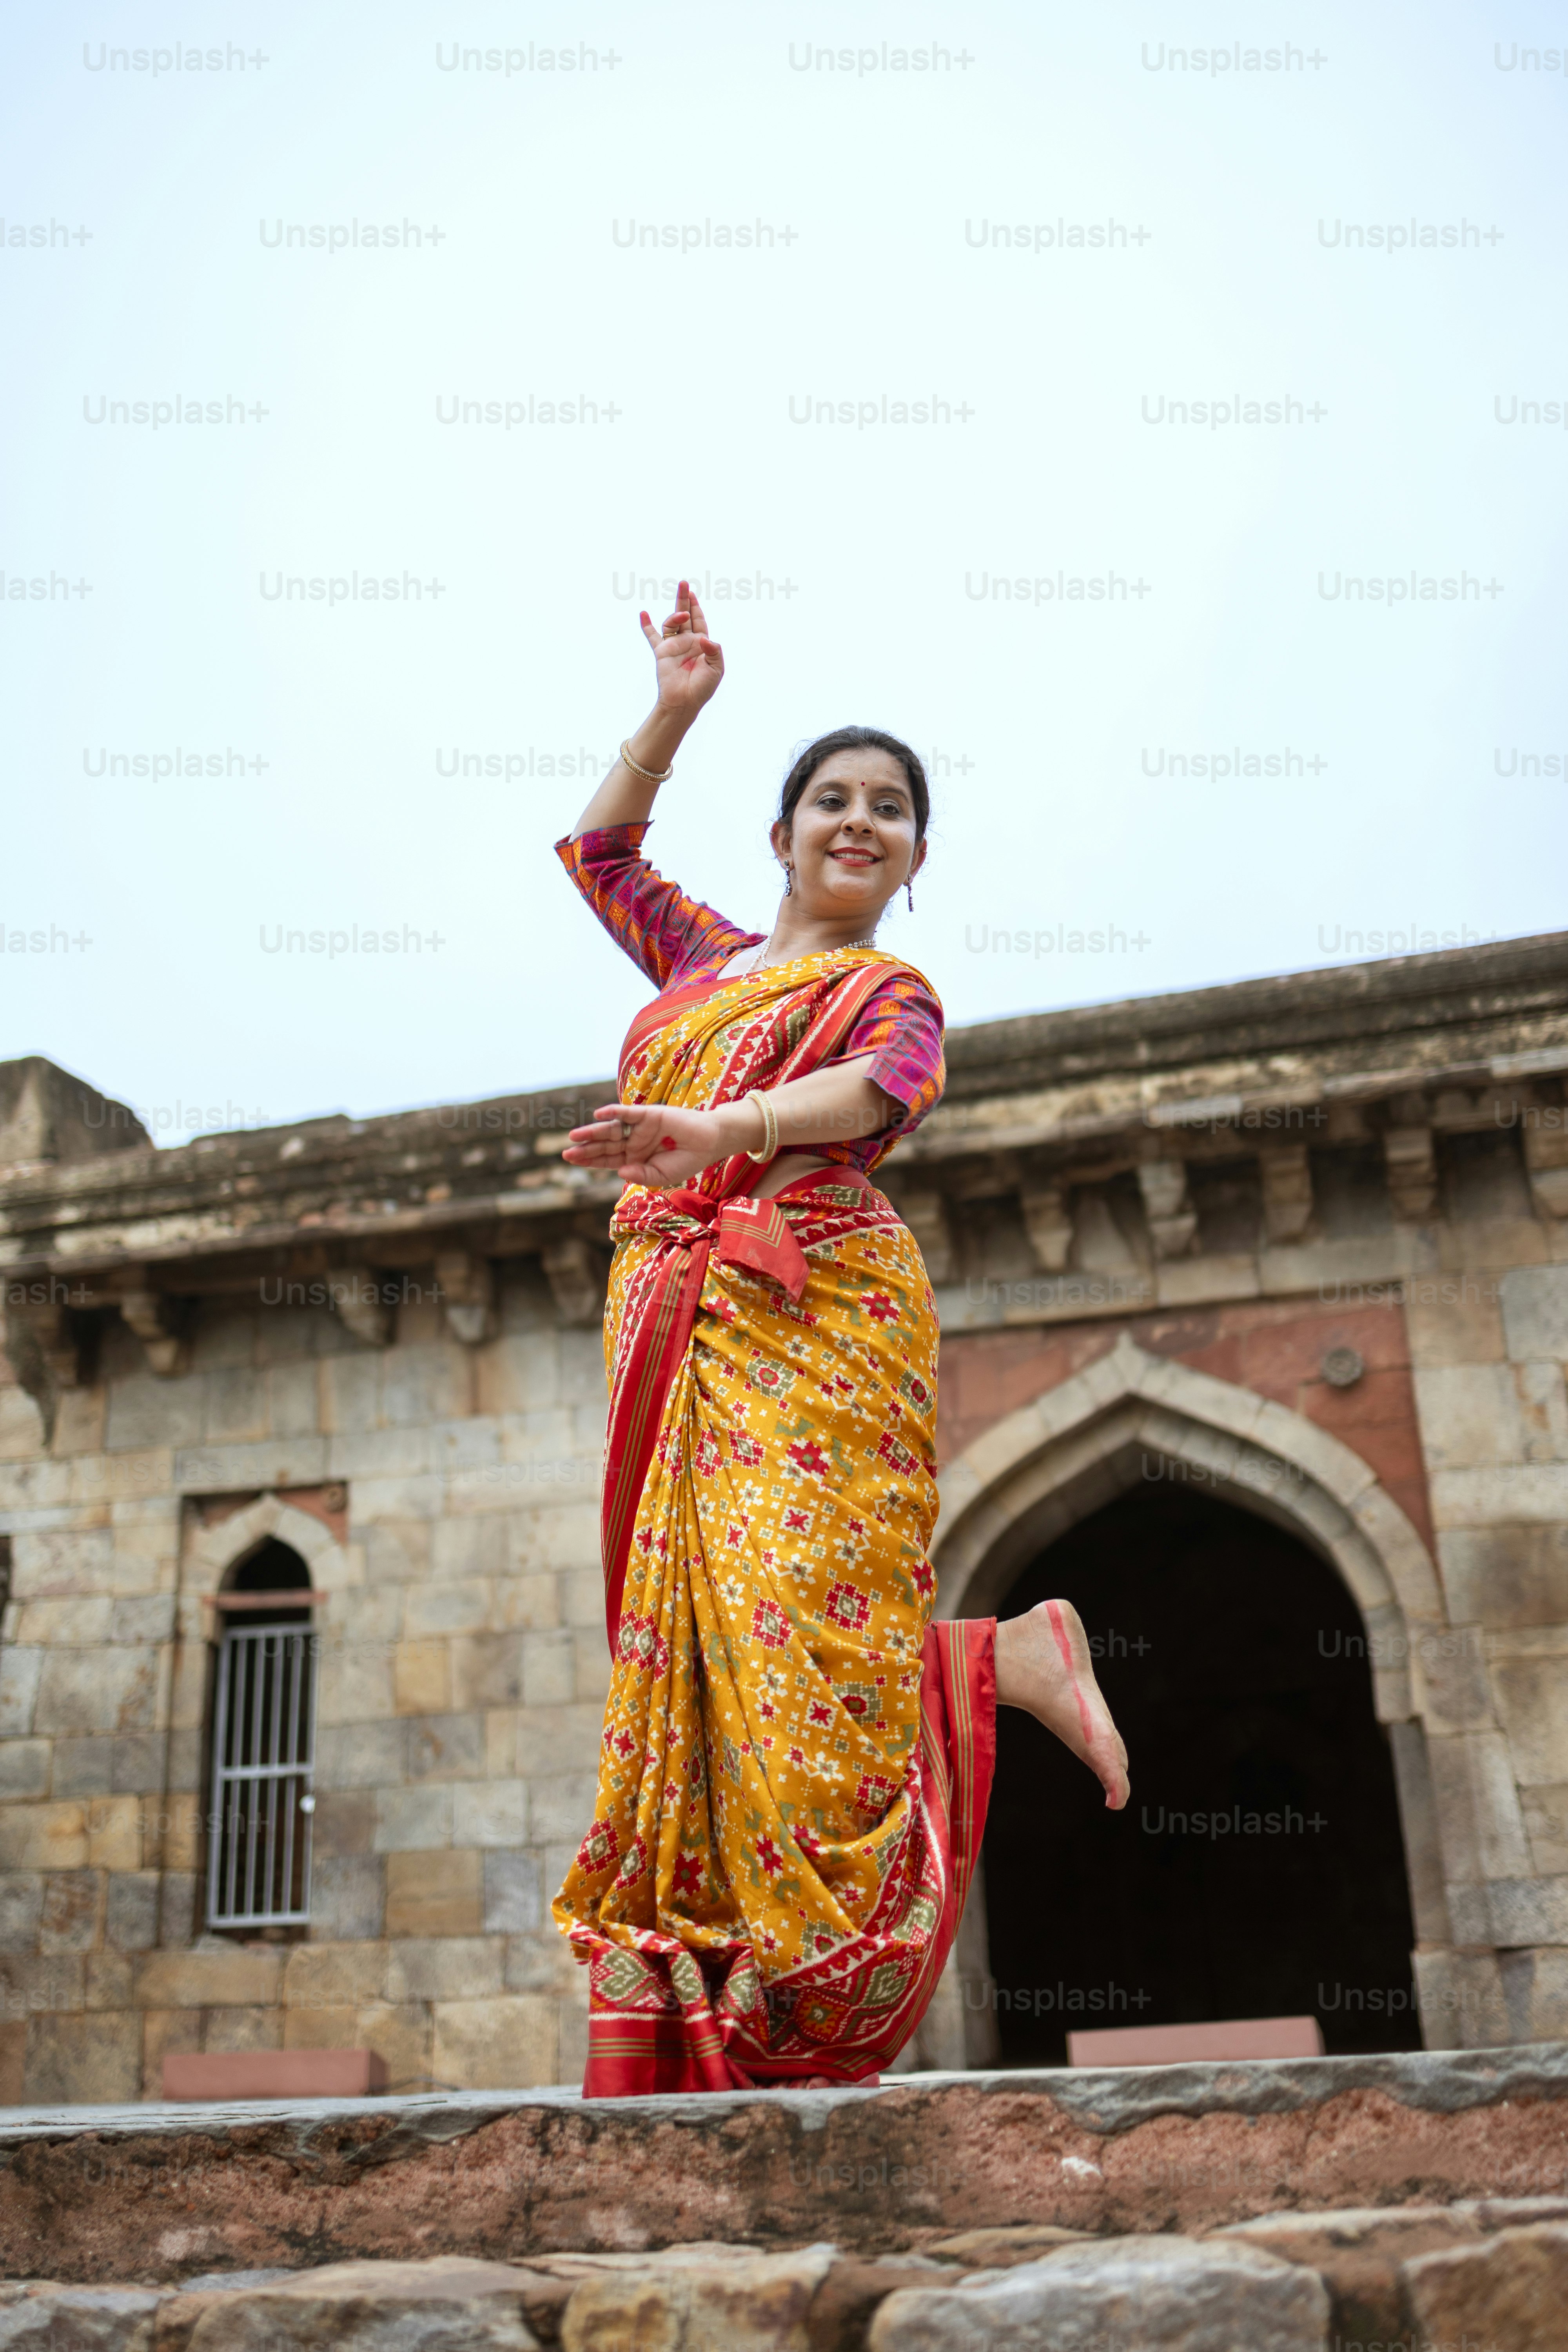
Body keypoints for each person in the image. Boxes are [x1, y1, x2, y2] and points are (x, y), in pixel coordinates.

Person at [551, 582, 1129, 2096]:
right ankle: (988, 1663)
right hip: (671, 1316)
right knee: (703, 1653)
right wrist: (677, 706)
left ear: (917, 857)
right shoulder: (702, 962)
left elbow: (881, 1095)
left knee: (802, 1631)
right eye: (830, 798)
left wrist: (719, 1125)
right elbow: (599, 854)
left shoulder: (895, 992)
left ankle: (992, 1669)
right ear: (785, 830)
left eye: (889, 808)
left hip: (817, 1301)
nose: (856, 821)